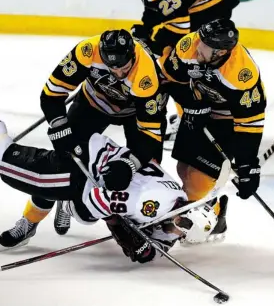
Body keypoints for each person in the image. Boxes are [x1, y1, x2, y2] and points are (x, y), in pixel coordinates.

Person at [0, 67, 219, 259]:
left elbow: (154, 238)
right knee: (3, 162)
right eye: (180, 229)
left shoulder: (175, 202)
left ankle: (51, 205)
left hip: (95, 161)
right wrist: (123, 233)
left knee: (81, 210)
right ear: (182, 218)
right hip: (79, 171)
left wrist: (143, 246)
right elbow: (92, 201)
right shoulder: (153, 204)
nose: (176, 234)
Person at [9, 29, 169, 241]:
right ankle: (31, 220)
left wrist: (129, 165)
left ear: (132, 56)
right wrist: (59, 126)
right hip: (94, 103)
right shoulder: (86, 51)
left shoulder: (146, 75)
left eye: (123, 68)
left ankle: (145, 225)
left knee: (148, 167)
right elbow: (51, 94)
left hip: (136, 115)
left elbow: (149, 136)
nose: (118, 73)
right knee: (62, 163)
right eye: (112, 67)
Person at [111, 0, 241, 144]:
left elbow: (181, 27)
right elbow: (156, 8)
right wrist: (146, 28)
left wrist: (156, 43)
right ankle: (204, 112)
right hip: (205, 1)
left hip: (210, 4)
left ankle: (191, 117)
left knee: (178, 61)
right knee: (178, 58)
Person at [157, 18, 267, 241]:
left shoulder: (241, 74)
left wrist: (248, 165)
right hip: (199, 109)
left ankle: (188, 224)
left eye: (205, 46)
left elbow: (250, 122)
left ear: (219, 52)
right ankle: (215, 211)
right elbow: (169, 78)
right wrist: (191, 103)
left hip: (227, 121)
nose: (198, 46)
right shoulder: (191, 45)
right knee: (183, 169)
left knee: (198, 181)